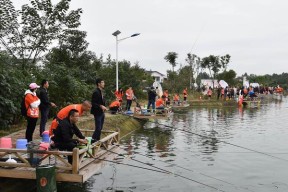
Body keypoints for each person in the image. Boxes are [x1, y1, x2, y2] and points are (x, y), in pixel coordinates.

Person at [91, 78, 107, 143]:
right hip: (97, 113)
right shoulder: (96, 92)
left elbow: (101, 102)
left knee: (100, 129)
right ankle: (92, 141)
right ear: (99, 84)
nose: (104, 84)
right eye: (102, 82)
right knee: (98, 128)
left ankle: (97, 141)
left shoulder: (101, 91)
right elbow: (93, 103)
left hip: (101, 112)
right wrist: (100, 106)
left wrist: (104, 107)